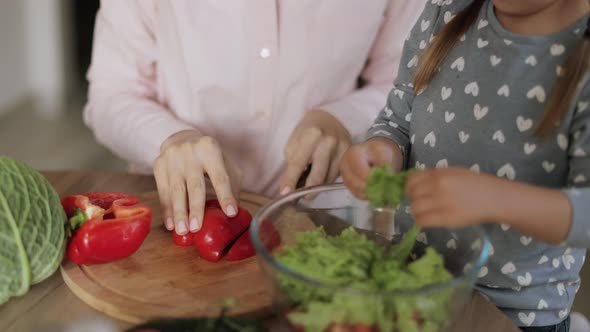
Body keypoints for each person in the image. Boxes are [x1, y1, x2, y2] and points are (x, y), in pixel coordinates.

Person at [340, 0, 590, 331]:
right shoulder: (446, 9)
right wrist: (380, 153)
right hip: (408, 285)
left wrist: (495, 199)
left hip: (515, 315)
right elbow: (399, 121)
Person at [82, 1, 425, 235]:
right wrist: (169, 139)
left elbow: (404, 83)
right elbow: (112, 93)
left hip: (323, 216)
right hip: (178, 215)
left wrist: (344, 118)